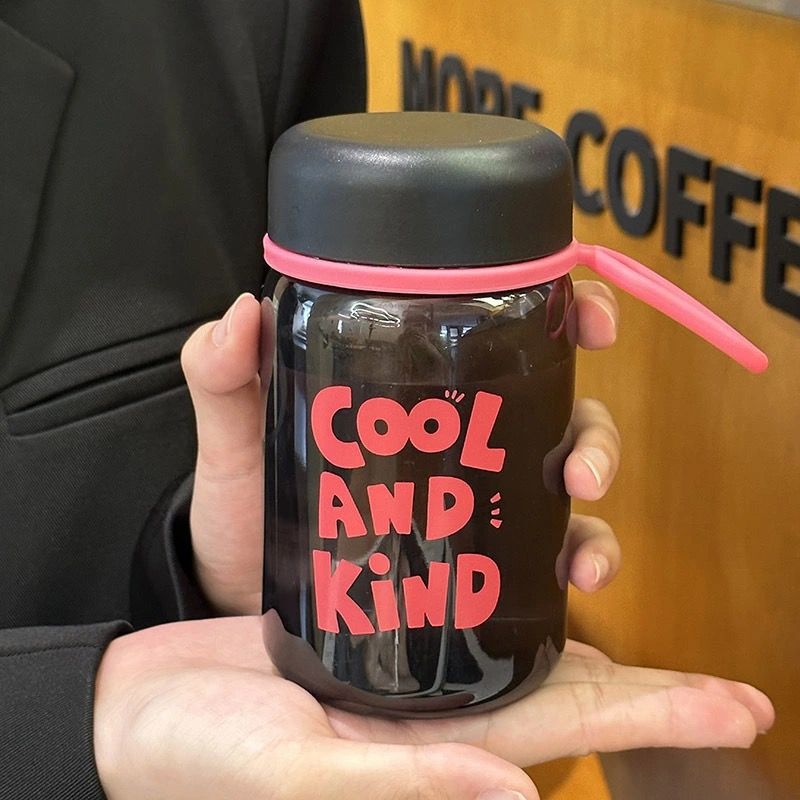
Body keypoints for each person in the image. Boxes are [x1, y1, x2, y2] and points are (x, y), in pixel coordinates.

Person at [0, 2, 773, 798]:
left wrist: (218, 577)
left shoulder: (261, 18)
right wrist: (76, 719)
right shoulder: (310, 296)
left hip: (242, 631)